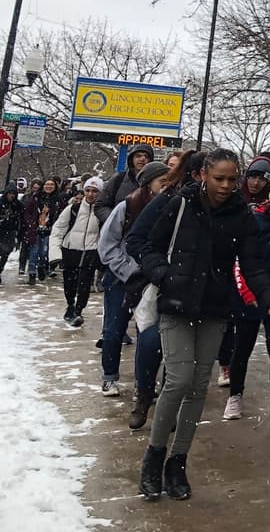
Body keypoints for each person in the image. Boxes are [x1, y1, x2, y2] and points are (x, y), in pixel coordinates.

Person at [136, 149, 270, 502]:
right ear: (203, 176)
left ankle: (177, 462)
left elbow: (254, 265)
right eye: (220, 178)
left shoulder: (241, 215)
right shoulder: (181, 203)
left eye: (233, 179)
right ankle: (154, 457)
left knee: (199, 386)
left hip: (214, 307)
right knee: (178, 380)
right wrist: (165, 276)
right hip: (176, 304)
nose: (227, 186)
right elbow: (147, 245)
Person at [123, 152, 207, 431]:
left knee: (183, 353)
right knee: (151, 342)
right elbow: (136, 239)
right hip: (163, 287)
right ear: (196, 175)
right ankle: (144, 395)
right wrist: (160, 270)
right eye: (215, 176)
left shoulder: (227, 207)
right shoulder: (170, 199)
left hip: (202, 291)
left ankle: (168, 405)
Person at [222, 175, 270, 424]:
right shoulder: (254, 221)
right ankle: (235, 395)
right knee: (241, 349)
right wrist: (247, 293)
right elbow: (241, 260)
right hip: (249, 295)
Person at [97, 161, 170, 400]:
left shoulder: (170, 208)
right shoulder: (126, 207)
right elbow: (107, 246)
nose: (167, 187)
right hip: (122, 279)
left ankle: (144, 384)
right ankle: (109, 377)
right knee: (114, 330)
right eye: (163, 182)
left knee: (148, 335)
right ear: (148, 184)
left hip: (153, 282)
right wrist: (130, 271)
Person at [50, 176, 105, 327]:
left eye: (95, 191)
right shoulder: (73, 209)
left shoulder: (102, 212)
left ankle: (78, 311)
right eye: (88, 190)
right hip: (71, 250)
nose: (91, 194)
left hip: (91, 252)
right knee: (69, 282)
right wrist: (55, 253)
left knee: (84, 284)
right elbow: (58, 229)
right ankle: (70, 305)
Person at [94, 143, 155, 224]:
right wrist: (114, 221)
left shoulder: (155, 183)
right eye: (138, 156)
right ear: (131, 159)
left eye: (146, 156)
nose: (142, 159)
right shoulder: (118, 180)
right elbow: (101, 206)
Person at [23, 178, 62, 285]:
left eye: (51, 185)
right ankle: (31, 273)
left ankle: (41, 267)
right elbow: (28, 213)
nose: (49, 186)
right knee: (34, 252)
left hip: (49, 230)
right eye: (47, 184)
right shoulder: (36, 198)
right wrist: (30, 224)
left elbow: (61, 214)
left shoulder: (58, 199)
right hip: (35, 230)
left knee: (44, 252)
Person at [0, 184, 24, 283]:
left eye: (13, 193)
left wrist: (19, 235)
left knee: (6, 252)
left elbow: (21, 220)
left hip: (10, 232)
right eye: (9, 193)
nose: (11, 195)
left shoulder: (18, 205)